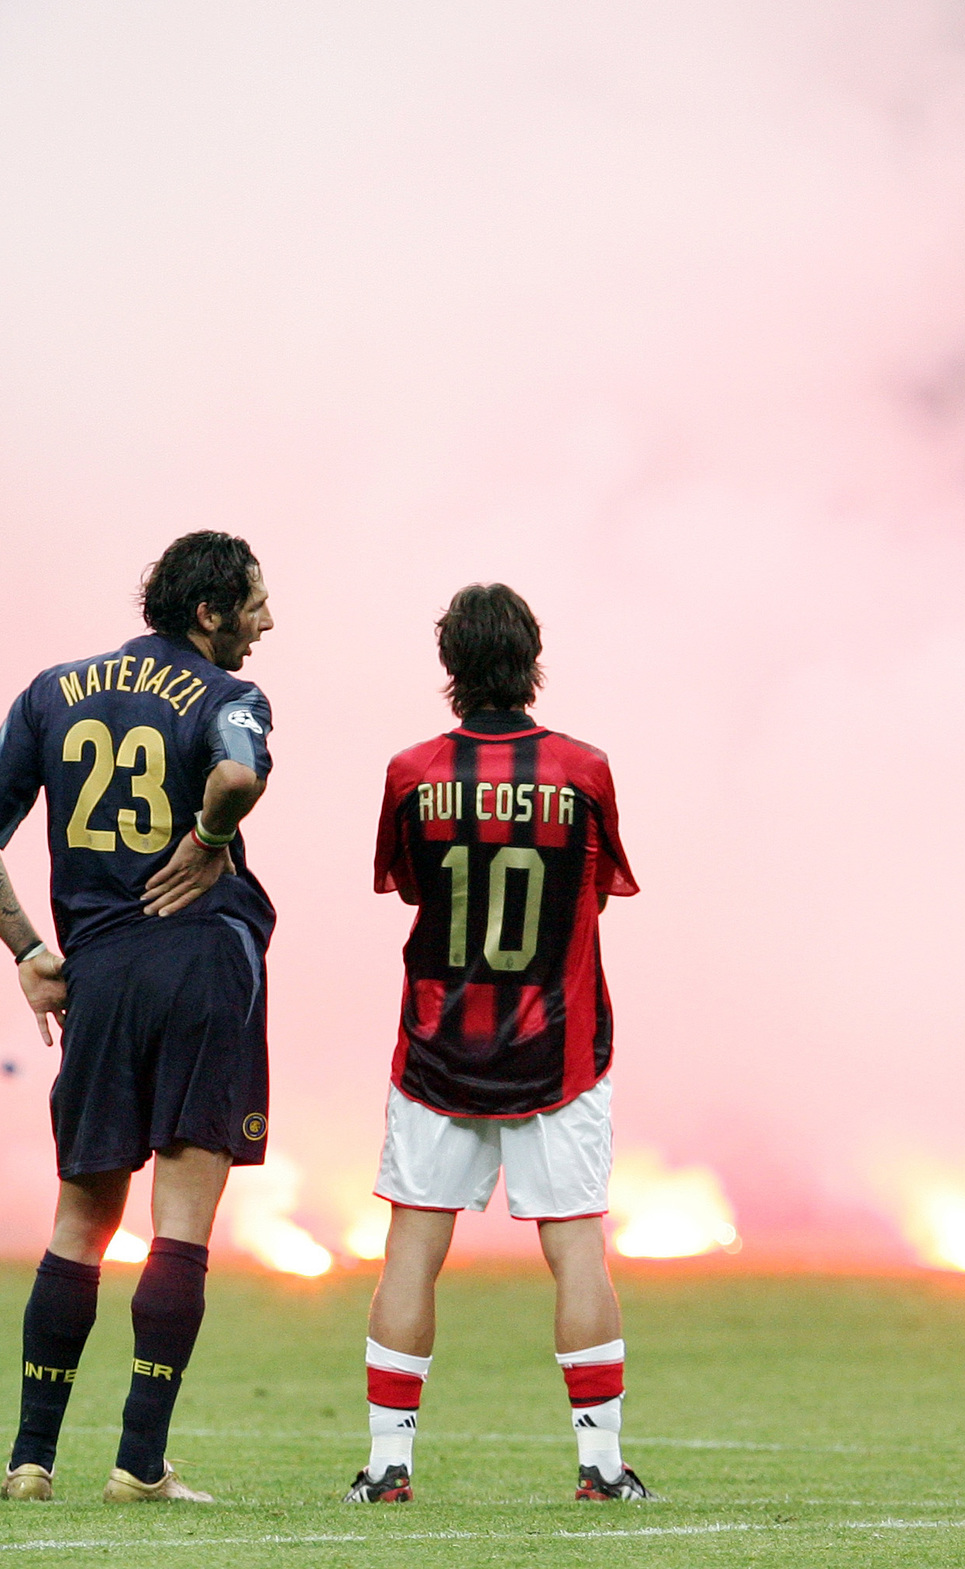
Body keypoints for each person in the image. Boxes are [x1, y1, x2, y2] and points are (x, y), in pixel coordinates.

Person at [0, 530, 278, 1504]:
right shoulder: (229, 698)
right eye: (254, 602)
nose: (267, 620)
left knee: (82, 1218)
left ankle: (30, 1460)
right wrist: (212, 836)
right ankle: (138, 1465)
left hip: (97, 975)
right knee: (181, 1224)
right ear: (208, 611)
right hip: (203, 966)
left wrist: (30, 954)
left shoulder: (53, 692)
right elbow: (239, 775)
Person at [344, 584, 651, 1505]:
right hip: (559, 1046)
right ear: (533, 658)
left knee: (411, 1249)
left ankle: (388, 1465)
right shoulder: (583, 769)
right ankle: (600, 1468)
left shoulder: (410, 770)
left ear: (451, 667)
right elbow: (595, 892)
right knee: (578, 1247)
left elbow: (407, 888)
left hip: (439, 1046)